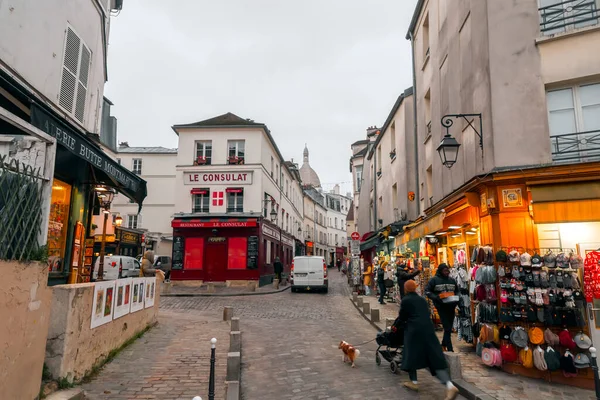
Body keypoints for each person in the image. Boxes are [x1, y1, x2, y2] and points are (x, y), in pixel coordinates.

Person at [400, 280, 460, 399]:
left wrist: (398, 326)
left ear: (406, 289)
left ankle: (414, 382)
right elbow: (426, 313)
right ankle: (449, 385)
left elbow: (402, 317)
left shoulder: (405, 300)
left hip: (414, 332)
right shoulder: (422, 300)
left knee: (411, 355)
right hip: (428, 331)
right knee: (434, 358)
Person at [425, 263, 459, 352]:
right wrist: (436, 297)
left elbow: (457, 291)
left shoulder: (452, 280)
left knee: (449, 327)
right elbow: (427, 291)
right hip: (441, 306)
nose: (447, 272)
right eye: (445, 270)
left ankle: (443, 344)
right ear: (440, 271)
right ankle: (450, 348)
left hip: (451, 305)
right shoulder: (434, 280)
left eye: (448, 270)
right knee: (447, 327)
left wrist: (458, 299)